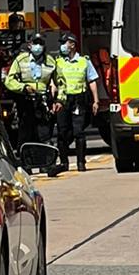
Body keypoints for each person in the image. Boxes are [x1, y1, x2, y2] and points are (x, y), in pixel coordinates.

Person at [3, 33, 58, 168]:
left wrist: (59, 100)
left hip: (43, 100)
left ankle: (45, 163)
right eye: (35, 43)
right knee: (25, 133)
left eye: (40, 43)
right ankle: (25, 164)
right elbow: (9, 80)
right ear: (30, 45)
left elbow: (59, 82)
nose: (38, 46)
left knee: (44, 133)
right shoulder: (20, 60)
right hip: (26, 100)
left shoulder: (50, 61)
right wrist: (23, 87)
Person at [52, 33, 100, 172]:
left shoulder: (84, 61)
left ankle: (81, 162)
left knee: (79, 132)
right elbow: (54, 82)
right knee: (62, 132)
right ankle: (64, 162)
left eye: (65, 42)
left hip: (79, 99)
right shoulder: (58, 62)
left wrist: (95, 101)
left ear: (72, 44)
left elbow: (92, 81)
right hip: (63, 100)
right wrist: (53, 99)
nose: (62, 46)